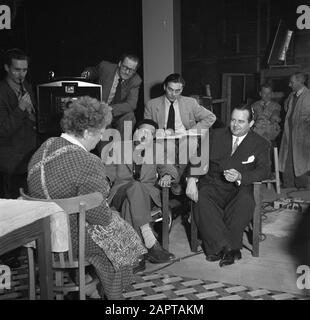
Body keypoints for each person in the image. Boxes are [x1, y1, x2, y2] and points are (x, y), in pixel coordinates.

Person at [27, 97, 146, 300]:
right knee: (120, 240)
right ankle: (114, 297)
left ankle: (87, 285)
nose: (100, 138)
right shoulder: (88, 161)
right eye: (100, 133)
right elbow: (99, 217)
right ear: (86, 132)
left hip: (41, 235)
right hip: (71, 240)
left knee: (117, 227)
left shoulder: (46, 146)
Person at [186, 104, 270, 267]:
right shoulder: (214, 135)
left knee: (245, 200)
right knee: (201, 198)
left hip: (239, 187)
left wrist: (241, 176)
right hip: (213, 183)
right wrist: (191, 179)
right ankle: (228, 248)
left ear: (251, 124)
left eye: (241, 121)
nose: (235, 125)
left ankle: (221, 248)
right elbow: (198, 158)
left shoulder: (261, 143)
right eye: (233, 120)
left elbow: (264, 171)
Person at [103, 119, 178, 266]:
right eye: (142, 131)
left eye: (150, 133)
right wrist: (104, 181)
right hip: (120, 192)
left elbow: (169, 168)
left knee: (129, 205)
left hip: (146, 196)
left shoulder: (156, 150)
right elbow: (108, 171)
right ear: (136, 131)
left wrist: (167, 175)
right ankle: (150, 241)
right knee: (135, 187)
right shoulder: (119, 147)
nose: (145, 135)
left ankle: (136, 259)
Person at [144, 73, 216, 193]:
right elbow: (146, 128)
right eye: (170, 89)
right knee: (162, 149)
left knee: (191, 144)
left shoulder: (190, 103)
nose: (173, 94)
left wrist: (191, 131)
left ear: (182, 89)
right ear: (164, 87)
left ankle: (174, 179)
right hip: (164, 140)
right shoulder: (152, 105)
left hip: (186, 138)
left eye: (178, 91)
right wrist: (159, 132)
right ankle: (177, 180)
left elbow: (210, 117)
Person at [0, 48, 37, 199]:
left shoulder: (27, 85)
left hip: (29, 159)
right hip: (10, 164)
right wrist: (21, 108)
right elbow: (2, 130)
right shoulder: (1, 92)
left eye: (24, 70)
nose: (21, 74)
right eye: (16, 70)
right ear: (7, 68)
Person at [82, 53, 142, 138]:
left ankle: (123, 148)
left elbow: (131, 104)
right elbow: (92, 71)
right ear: (120, 63)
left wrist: (109, 109)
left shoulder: (136, 80)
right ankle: (105, 150)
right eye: (125, 67)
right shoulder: (105, 67)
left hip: (116, 112)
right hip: (99, 111)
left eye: (131, 70)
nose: (127, 72)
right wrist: (87, 74)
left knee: (129, 116)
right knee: (103, 128)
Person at [279, 72, 310, 189]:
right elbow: (287, 110)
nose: (289, 84)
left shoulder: (308, 95)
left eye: (292, 82)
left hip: (302, 134)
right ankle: (288, 183)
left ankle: (302, 185)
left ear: (300, 82)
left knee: (301, 159)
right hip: (289, 132)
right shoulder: (293, 95)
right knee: (288, 158)